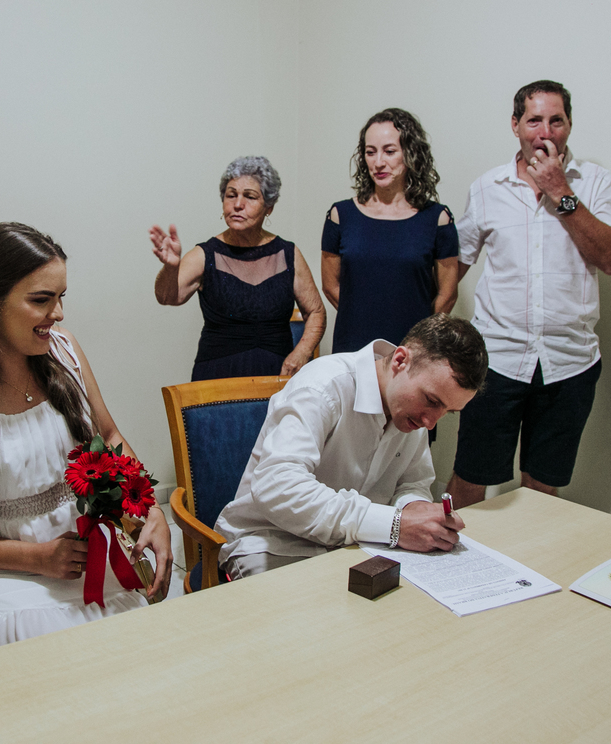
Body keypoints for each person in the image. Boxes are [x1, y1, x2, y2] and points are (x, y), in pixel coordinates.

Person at [0, 222, 172, 657]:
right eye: (41, 300)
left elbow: (108, 436)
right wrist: (37, 558)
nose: (58, 314)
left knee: (136, 647)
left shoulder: (65, 352)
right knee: (50, 650)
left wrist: (149, 507)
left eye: (61, 297)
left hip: (76, 553)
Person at [448, 80, 611, 509]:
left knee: (543, 490)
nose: (545, 132)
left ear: (569, 125)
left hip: (570, 363)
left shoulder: (595, 182)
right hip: (496, 359)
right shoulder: (487, 187)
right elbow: (454, 266)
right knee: (470, 479)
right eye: (534, 121)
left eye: (556, 121)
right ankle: (453, 551)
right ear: (515, 125)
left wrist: (560, 191)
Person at [215, 314, 487, 579]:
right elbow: (277, 487)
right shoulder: (322, 386)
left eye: (447, 411)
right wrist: (393, 524)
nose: (431, 422)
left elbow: (413, 482)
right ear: (400, 361)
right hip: (274, 542)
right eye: (432, 400)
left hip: (357, 546)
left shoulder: (413, 412)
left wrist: (414, 508)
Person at [150, 155, 325, 380]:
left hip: (278, 378)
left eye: (249, 196)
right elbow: (167, 297)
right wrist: (171, 268)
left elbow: (316, 312)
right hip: (216, 379)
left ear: (269, 207)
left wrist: (301, 353)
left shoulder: (288, 253)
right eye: (231, 195)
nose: (238, 204)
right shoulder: (205, 253)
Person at [321, 108, 459, 355]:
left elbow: (447, 295)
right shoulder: (340, 215)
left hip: (411, 352)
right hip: (353, 348)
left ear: (410, 154)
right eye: (370, 152)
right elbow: (330, 286)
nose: (378, 162)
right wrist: (363, 319)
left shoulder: (437, 219)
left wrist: (418, 337)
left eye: (389, 151)